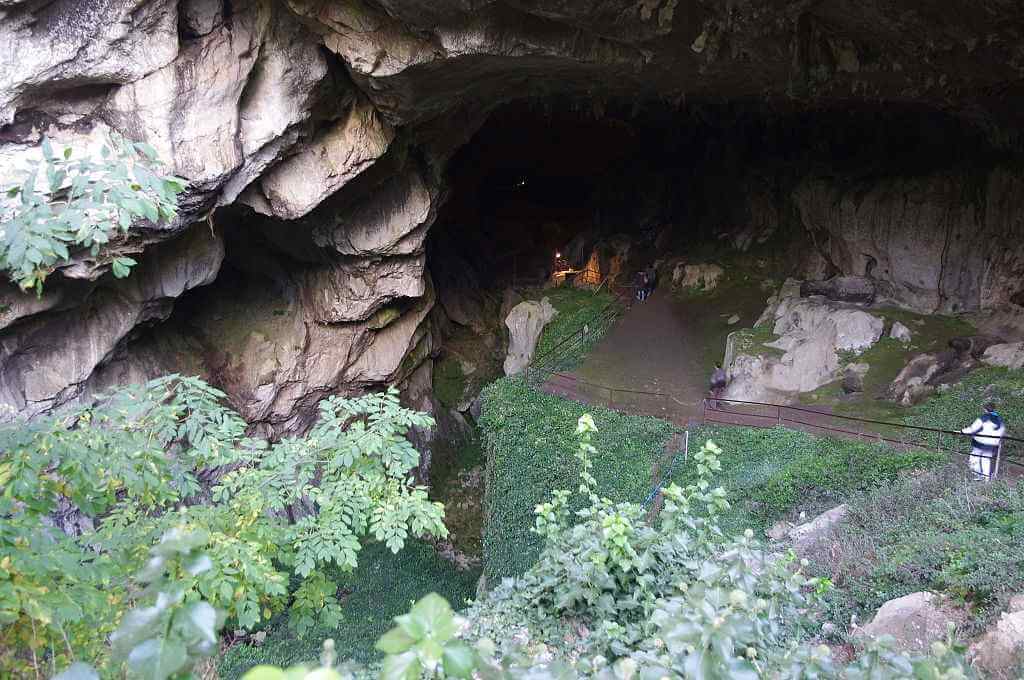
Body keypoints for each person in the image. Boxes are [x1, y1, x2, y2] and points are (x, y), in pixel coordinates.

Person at [961, 402, 1005, 479]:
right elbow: (1002, 431)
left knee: (974, 457)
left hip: (980, 442)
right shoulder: (999, 419)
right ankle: (986, 478)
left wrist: (962, 431)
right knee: (986, 459)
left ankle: (977, 475)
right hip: (992, 444)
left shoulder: (983, 418)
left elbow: (972, 429)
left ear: (984, 409)